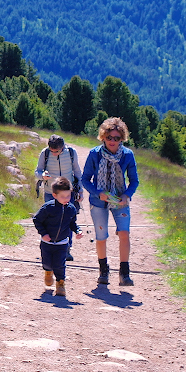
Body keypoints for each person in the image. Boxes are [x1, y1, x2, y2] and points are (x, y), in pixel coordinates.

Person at [80, 117, 140, 286]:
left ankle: (124, 273)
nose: (112, 141)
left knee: (124, 233)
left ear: (122, 139)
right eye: (109, 137)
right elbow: (85, 179)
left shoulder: (128, 155)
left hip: (120, 201)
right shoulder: (94, 154)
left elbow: (134, 180)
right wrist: (98, 193)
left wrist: (126, 195)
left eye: (117, 138)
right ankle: (103, 271)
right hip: (98, 201)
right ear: (103, 137)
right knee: (101, 236)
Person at [35, 134, 83, 260]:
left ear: (62, 147)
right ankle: (48, 247)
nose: (53, 153)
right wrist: (42, 175)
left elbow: (77, 171)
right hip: (50, 192)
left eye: (56, 151)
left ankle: (66, 249)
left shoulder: (71, 152)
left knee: (67, 219)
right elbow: (37, 172)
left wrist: (81, 190)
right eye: (51, 151)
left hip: (68, 192)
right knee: (49, 220)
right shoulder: (44, 153)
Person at [33, 177, 83, 297]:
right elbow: (37, 220)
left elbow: (72, 223)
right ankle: (48, 272)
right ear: (55, 195)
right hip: (47, 243)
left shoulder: (71, 209)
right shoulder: (48, 208)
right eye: (63, 196)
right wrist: (43, 234)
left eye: (68, 196)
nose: (66, 199)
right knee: (47, 263)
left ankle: (60, 284)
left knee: (60, 264)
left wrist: (77, 231)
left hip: (62, 243)